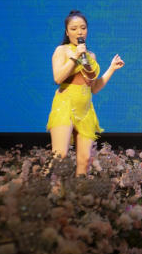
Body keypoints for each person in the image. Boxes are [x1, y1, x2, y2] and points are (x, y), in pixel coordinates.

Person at [46, 10, 124, 175]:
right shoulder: (62, 50)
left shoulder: (91, 56)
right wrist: (76, 56)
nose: (79, 32)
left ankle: (78, 191)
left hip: (86, 110)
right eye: (74, 29)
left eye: (83, 28)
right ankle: (50, 191)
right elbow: (58, 78)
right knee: (60, 157)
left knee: (85, 160)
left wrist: (111, 69)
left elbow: (94, 88)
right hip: (65, 106)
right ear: (67, 32)